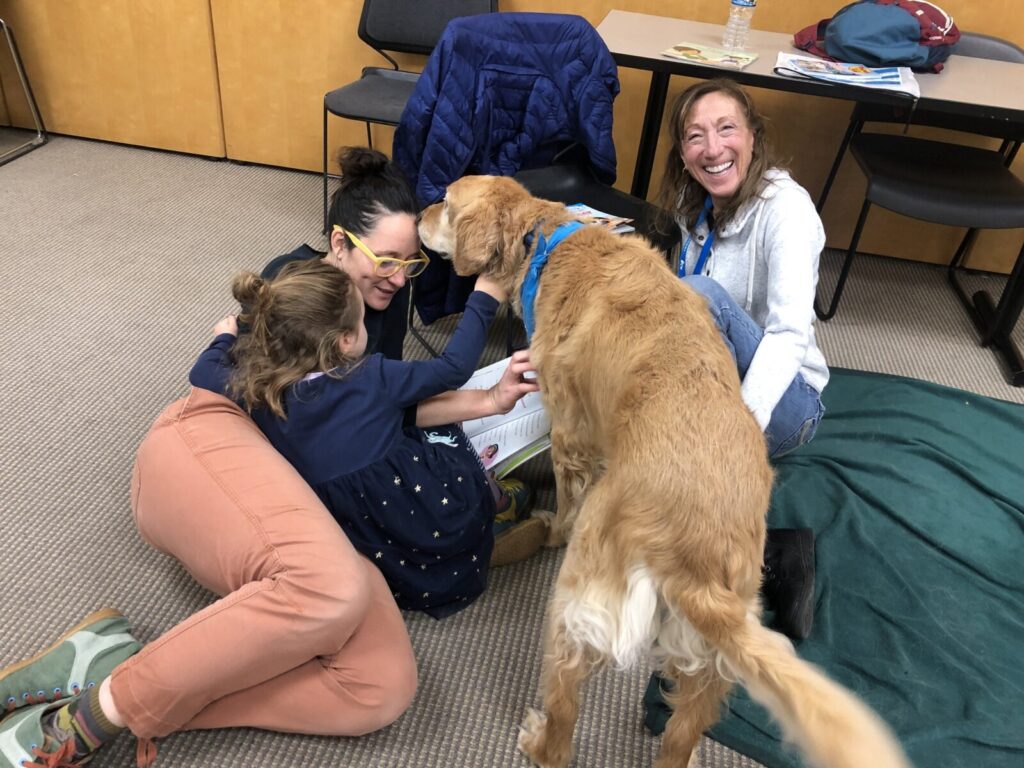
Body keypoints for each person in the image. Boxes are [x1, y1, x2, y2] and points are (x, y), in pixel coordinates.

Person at [189, 259, 546, 619]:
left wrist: (224, 335)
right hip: (438, 515)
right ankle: (497, 505)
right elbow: (454, 368)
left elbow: (202, 370)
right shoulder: (373, 377)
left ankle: (479, 531)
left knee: (388, 421)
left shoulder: (258, 391)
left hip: (371, 546)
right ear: (345, 341)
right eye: (361, 322)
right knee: (443, 435)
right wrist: (486, 295)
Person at [658, 78, 828, 640]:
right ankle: (770, 550)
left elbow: (785, 335)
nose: (712, 148)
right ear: (683, 153)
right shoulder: (696, 205)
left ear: (753, 136)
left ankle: (774, 556)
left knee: (698, 296)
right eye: (695, 136)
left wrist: (733, 431)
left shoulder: (788, 212)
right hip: (717, 380)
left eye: (726, 128)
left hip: (784, 401)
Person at [261, 146, 422, 360]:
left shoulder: (391, 287)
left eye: (410, 262)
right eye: (385, 261)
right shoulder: (284, 279)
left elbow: (389, 377)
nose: (400, 280)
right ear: (339, 243)